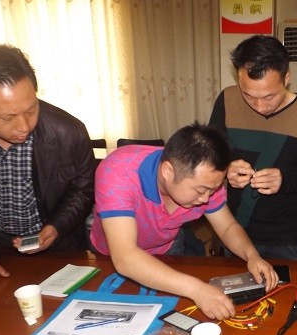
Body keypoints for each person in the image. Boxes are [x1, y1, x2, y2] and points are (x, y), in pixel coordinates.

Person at [89, 122, 279, 320]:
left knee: (168, 314)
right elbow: (125, 257)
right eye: (200, 190)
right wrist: (197, 289)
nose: (206, 199)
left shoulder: (207, 180)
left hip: (166, 250)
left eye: (212, 190)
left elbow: (228, 227)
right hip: (110, 256)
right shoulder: (118, 172)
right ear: (167, 172)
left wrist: (252, 255)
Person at [0, 44, 96, 281]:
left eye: (31, 109)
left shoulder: (69, 132)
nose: (24, 126)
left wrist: (56, 227)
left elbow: (84, 188)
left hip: (59, 247)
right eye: (7, 117)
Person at [209, 35, 297, 260]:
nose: (260, 106)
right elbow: (211, 155)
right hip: (235, 229)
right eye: (248, 95)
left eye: (269, 97)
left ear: (286, 78)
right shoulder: (227, 100)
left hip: (287, 237)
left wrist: (284, 180)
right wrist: (226, 168)